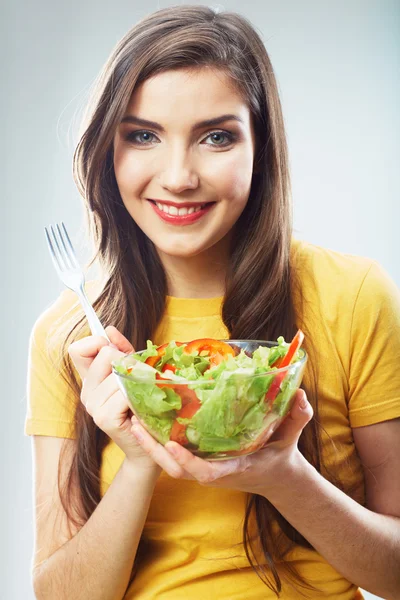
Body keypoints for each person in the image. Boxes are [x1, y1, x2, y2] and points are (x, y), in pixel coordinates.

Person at [25, 5, 400, 600]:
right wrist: (143, 452)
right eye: (143, 135)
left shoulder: (352, 297)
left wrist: (285, 477)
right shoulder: (71, 337)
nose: (178, 176)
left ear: (261, 149)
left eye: (216, 137)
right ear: (107, 151)